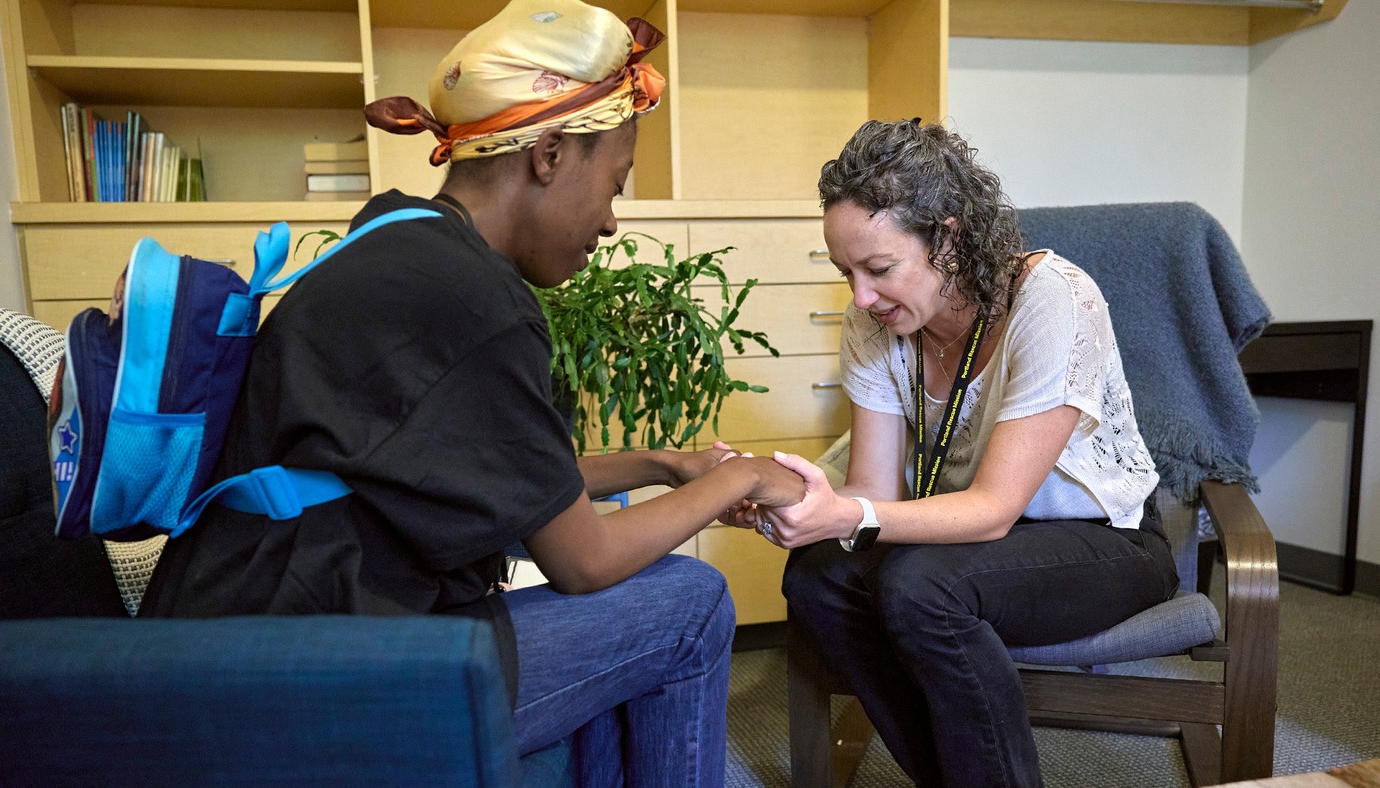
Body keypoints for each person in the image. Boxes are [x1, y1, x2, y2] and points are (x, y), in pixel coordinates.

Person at [138, 1, 803, 784]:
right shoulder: (475, 303)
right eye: (614, 185)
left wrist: (664, 462)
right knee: (690, 603)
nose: (613, 223)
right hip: (311, 668)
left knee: (645, 598)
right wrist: (743, 476)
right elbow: (582, 560)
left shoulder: (398, 239)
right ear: (550, 154)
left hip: (245, 629)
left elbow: (488, 474)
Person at [756, 119, 1180, 788]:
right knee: (817, 576)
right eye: (846, 272)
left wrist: (845, 516)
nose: (860, 296)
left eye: (879, 268)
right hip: (965, 540)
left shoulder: (1053, 298)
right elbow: (876, 494)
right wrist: (782, 499)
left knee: (920, 587)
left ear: (948, 238)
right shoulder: (873, 322)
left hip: (1104, 540)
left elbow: (992, 510)